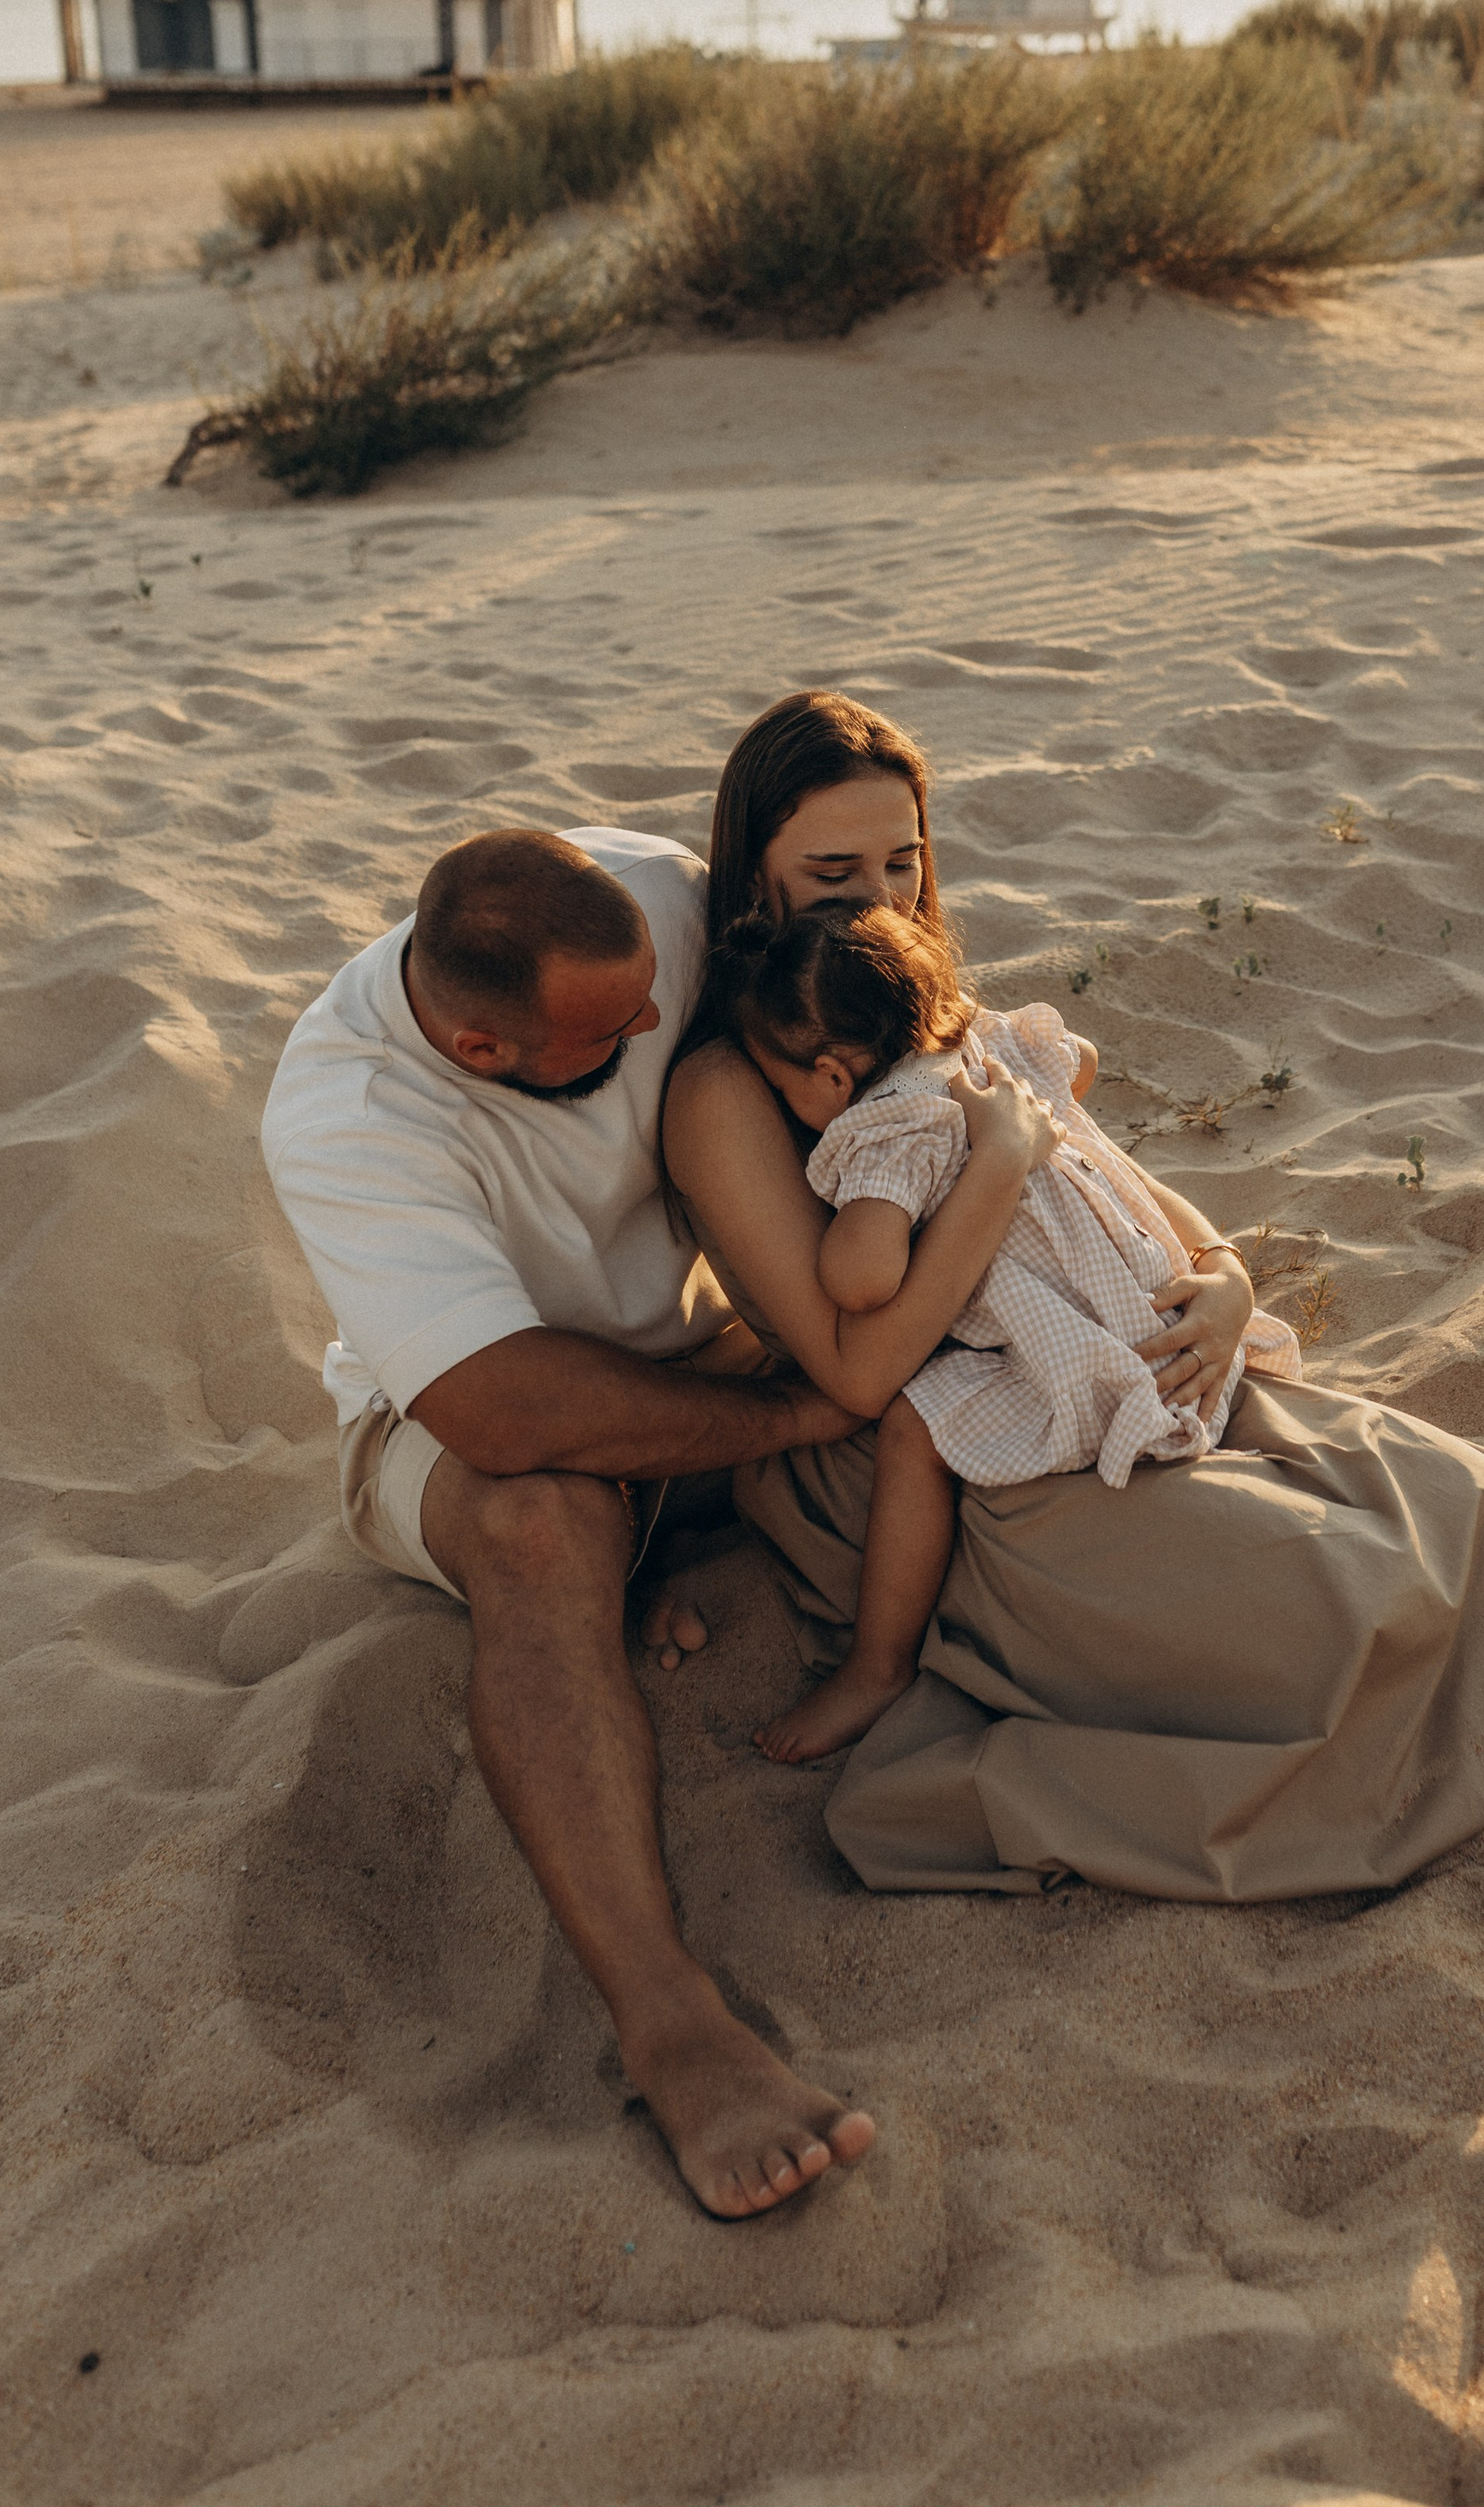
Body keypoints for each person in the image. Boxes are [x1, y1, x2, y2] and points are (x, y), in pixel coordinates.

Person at [664, 690, 1484, 1903]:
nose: (879, 904)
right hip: (947, 1454)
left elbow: (1112, 1184)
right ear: (754, 880)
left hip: (1092, 1363)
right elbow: (862, 1372)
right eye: (833, 872)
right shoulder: (736, 1088)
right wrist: (996, 1169)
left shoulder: (917, 1018)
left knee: (1463, 1511)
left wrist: (1223, 1281)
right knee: (1337, 1619)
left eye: (903, 864)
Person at [260, 819, 1055, 2214]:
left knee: (991, 1387)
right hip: (456, 1423)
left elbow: (902, 1018)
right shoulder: (346, 1111)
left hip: (716, 1355)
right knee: (546, 1525)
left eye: (650, 991)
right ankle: (672, 2021)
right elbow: (499, 1412)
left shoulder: (656, 902)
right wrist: (801, 1415)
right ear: (486, 1050)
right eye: (615, 1031)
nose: (655, 1020)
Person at [713, 896, 1302, 1765]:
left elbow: (861, 1275)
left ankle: (876, 1666)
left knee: (917, 1428)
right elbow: (1086, 1063)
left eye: (781, 1084)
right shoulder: (991, 1052)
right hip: (1157, 1308)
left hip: (1082, 1348)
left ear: (835, 1075)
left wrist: (855, 1215)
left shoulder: (891, 1126)